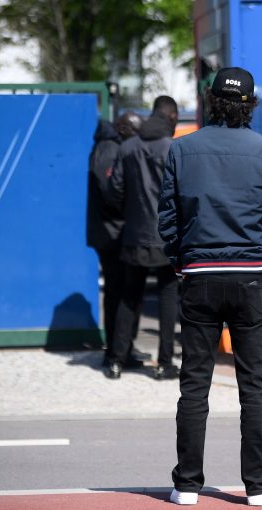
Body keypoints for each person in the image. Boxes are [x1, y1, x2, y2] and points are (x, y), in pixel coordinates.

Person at [158, 67, 262, 506]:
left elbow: (169, 220)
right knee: (254, 385)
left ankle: (186, 485)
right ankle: (259, 486)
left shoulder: (182, 150)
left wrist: (181, 262)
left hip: (198, 275)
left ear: (210, 101)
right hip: (252, 274)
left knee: (194, 383)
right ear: (250, 104)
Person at [104, 96, 180, 381]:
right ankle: (164, 362)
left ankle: (116, 359)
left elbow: (115, 191)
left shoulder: (127, 147)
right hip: (166, 234)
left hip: (134, 233)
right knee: (168, 297)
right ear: (172, 117)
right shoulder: (172, 149)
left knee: (129, 296)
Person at [86, 111, 144, 366]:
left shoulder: (109, 146)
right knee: (118, 293)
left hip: (112, 231)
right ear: (123, 129)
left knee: (120, 292)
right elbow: (111, 192)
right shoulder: (109, 149)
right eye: (135, 132)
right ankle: (117, 350)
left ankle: (121, 348)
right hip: (112, 234)